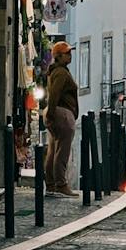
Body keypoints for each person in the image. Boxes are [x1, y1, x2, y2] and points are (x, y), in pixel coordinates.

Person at [43, 41, 80, 196]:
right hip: (62, 114)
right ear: (58, 56)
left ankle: (51, 183)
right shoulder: (61, 73)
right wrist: (51, 113)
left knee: (53, 149)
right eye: (67, 53)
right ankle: (61, 184)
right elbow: (55, 94)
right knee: (62, 150)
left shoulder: (56, 71)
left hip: (56, 113)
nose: (70, 55)